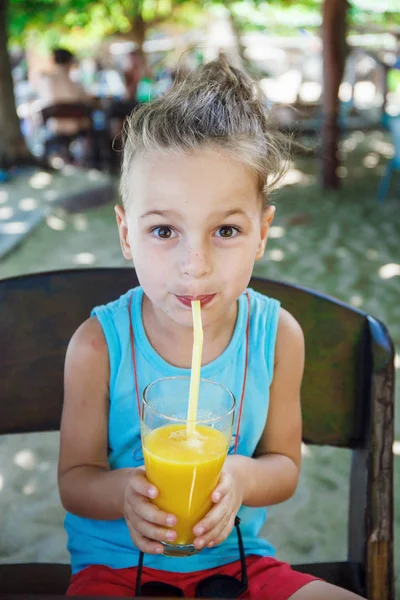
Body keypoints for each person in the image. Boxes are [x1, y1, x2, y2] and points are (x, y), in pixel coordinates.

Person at [58, 57, 365, 600]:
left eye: (225, 229)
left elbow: (284, 466)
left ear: (262, 232)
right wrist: (125, 492)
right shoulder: (97, 345)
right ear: (127, 234)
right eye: (163, 231)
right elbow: (75, 480)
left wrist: (242, 479)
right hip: (116, 572)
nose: (194, 264)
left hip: (242, 566)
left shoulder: (277, 335)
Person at [36, 47, 93, 136]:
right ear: (69, 62)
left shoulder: (46, 81)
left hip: (54, 127)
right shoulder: (73, 83)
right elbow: (87, 99)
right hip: (77, 127)